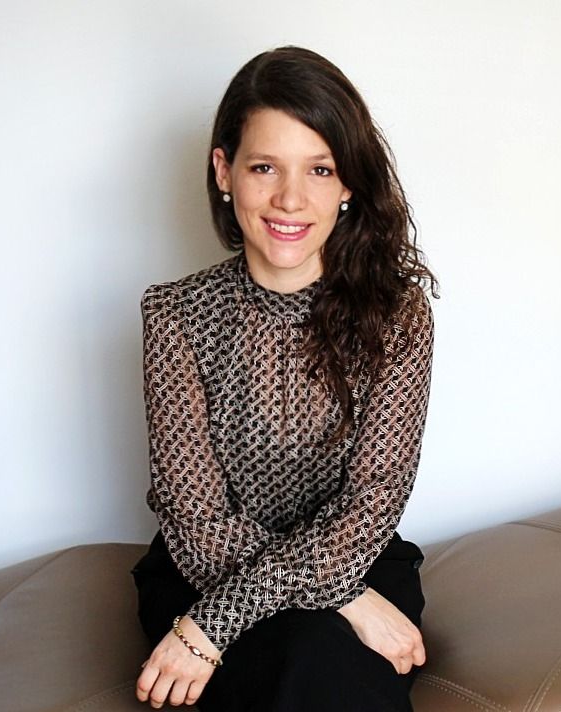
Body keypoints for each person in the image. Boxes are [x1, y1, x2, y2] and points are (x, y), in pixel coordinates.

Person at [131, 45, 438, 712]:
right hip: (202, 573)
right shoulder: (174, 315)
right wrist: (350, 599)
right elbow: (198, 524)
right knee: (307, 661)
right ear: (224, 171)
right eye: (264, 167)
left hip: (356, 555)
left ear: (348, 184)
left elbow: (373, 503)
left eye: (320, 169)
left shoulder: (398, 314)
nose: (290, 199)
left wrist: (209, 630)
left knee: (317, 661)